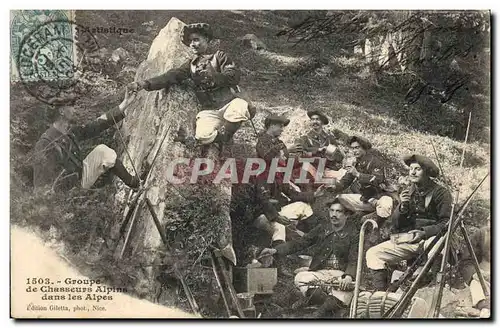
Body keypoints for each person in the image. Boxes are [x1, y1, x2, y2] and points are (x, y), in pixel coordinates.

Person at [127, 23, 255, 149]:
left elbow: (233, 76)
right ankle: (220, 139)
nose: (192, 44)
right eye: (190, 41)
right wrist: (144, 83)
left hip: (229, 102)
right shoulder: (191, 65)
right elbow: (171, 76)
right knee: (202, 136)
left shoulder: (220, 56)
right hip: (210, 109)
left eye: (196, 40)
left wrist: (214, 76)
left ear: (207, 39)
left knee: (239, 108)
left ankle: (227, 138)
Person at [365, 154, 452, 290]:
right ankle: (380, 294)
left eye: (417, 169)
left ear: (427, 172)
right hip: (411, 241)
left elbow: (447, 223)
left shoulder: (441, 193)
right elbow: (396, 225)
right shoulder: (408, 192)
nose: (412, 172)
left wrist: (423, 233)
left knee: (436, 244)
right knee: (373, 253)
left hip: (431, 240)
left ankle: (435, 287)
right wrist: (402, 206)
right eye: (411, 168)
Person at [259, 199, 359, 318]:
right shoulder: (322, 228)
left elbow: (354, 258)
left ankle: (319, 313)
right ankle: (332, 305)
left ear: (346, 214)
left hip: (340, 274)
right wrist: (276, 250)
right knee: (301, 278)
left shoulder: (354, 234)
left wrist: (348, 276)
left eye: (338, 211)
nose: (334, 214)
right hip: (320, 273)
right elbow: (301, 242)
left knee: (347, 289)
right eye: (331, 210)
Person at [32, 89, 140, 191]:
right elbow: (41, 185)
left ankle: (135, 183)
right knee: (103, 152)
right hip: (67, 195)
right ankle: (135, 184)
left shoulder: (69, 132)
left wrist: (124, 104)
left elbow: (96, 126)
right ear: (62, 111)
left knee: (102, 152)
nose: (75, 109)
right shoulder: (45, 143)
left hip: (80, 179)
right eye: (71, 106)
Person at [332, 136, 393, 222]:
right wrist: (333, 186)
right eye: (352, 148)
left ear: (364, 148)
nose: (354, 151)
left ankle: (377, 223)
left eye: (357, 147)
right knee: (339, 198)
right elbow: (345, 181)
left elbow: (377, 180)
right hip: (366, 199)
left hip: (380, 198)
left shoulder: (376, 161)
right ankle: (359, 216)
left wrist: (358, 174)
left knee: (385, 205)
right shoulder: (357, 163)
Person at [294, 110, 345, 184]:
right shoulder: (304, 138)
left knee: (344, 177)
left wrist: (333, 154)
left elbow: (340, 158)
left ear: (322, 122)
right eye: (312, 119)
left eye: (317, 119)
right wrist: (317, 150)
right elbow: (298, 154)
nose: (314, 122)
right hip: (311, 171)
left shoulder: (330, 138)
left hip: (327, 170)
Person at [459, 217, 490, 312]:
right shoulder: (481, 235)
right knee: (476, 284)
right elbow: (467, 260)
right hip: (482, 277)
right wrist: (475, 274)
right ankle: (485, 306)